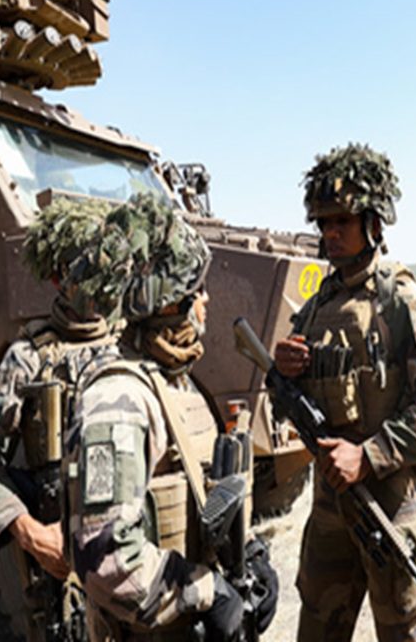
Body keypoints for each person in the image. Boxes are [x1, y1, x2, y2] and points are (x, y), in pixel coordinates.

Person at [64, 193, 278, 642]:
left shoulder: (175, 380)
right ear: (167, 304)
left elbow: (204, 495)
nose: (206, 299)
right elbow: (107, 560)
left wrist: (249, 553)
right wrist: (207, 593)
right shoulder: (119, 399)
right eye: (195, 290)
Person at [273, 143, 416, 642]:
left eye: (342, 221)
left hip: (391, 511)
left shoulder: (404, 303)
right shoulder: (316, 308)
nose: (330, 233)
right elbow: (285, 404)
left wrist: (369, 455)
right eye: (323, 223)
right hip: (331, 512)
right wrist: (285, 374)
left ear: (374, 223)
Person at [0, 197, 113, 640]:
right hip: (62, 574)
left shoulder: (133, 349)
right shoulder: (27, 358)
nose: (100, 282)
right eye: (85, 270)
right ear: (57, 277)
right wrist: (31, 534)